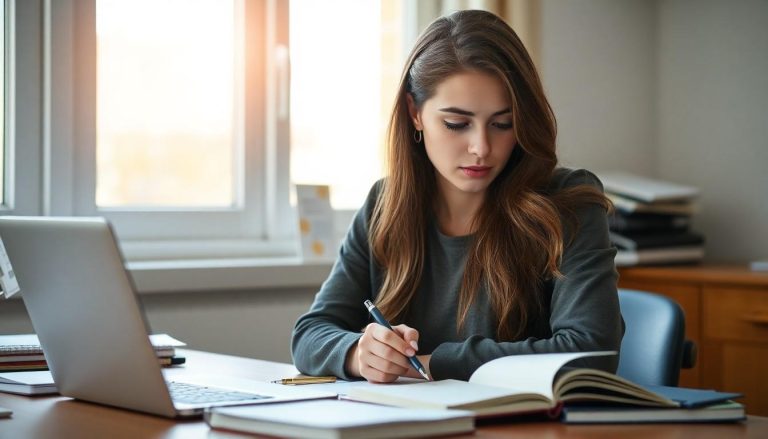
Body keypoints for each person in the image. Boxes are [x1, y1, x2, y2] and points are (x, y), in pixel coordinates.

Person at [291, 9, 623, 383]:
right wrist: (358, 353)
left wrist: (433, 364)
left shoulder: (569, 202)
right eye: (457, 124)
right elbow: (309, 335)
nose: (481, 147)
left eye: (502, 123)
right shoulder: (384, 204)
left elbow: (591, 352)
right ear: (414, 113)